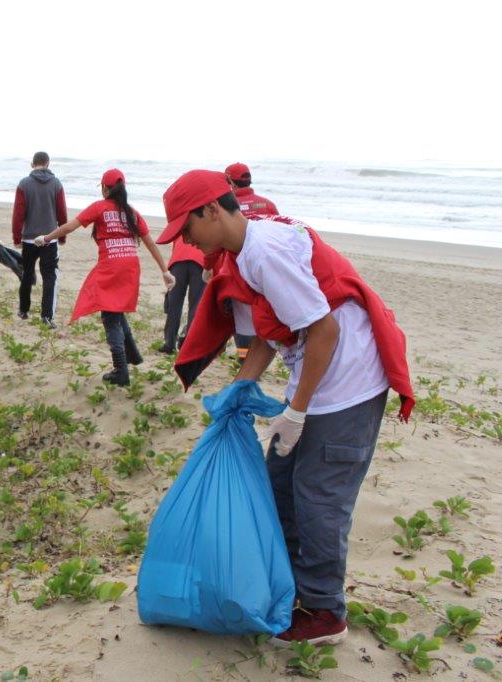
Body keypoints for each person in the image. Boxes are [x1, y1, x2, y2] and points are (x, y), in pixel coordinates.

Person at [160, 169, 415, 646]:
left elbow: (325, 331)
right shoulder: (241, 257)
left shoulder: (265, 252)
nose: (188, 242)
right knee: (279, 484)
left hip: (350, 382)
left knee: (319, 498)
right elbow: (270, 332)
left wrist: (295, 411)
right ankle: (289, 585)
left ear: (212, 210)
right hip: (317, 377)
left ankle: (324, 612)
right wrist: (242, 387)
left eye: (187, 229)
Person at [34, 169, 175, 385]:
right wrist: (164, 270)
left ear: (104, 188)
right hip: (130, 266)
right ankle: (133, 355)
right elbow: (149, 243)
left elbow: (70, 226)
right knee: (115, 309)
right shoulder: (132, 212)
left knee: (110, 316)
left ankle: (120, 370)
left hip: (112, 267)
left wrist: (46, 238)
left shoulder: (100, 208)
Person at [225, 162, 280, 361]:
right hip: (265, 272)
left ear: (230, 181)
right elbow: (279, 234)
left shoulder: (227, 206)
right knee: (265, 315)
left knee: (242, 322)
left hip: (236, 273)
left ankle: (244, 357)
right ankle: (262, 354)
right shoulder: (267, 204)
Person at [13, 151, 67, 327]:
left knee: (27, 274)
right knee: (49, 276)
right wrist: (62, 235)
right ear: (48, 163)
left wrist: (16, 236)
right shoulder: (56, 184)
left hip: (29, 238)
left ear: (32, 163)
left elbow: (18, 214)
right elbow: (62, 212)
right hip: (49, 239)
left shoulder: (24, 184)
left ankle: (23, 310)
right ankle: (46, 316)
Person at [158, 234, 206, 354]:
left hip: (178, 262)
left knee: (174, 305)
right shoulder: (204, 225)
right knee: (195, 307)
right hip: (200, 263)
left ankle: (169, 343)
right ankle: (188, 346)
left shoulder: (179, 227)